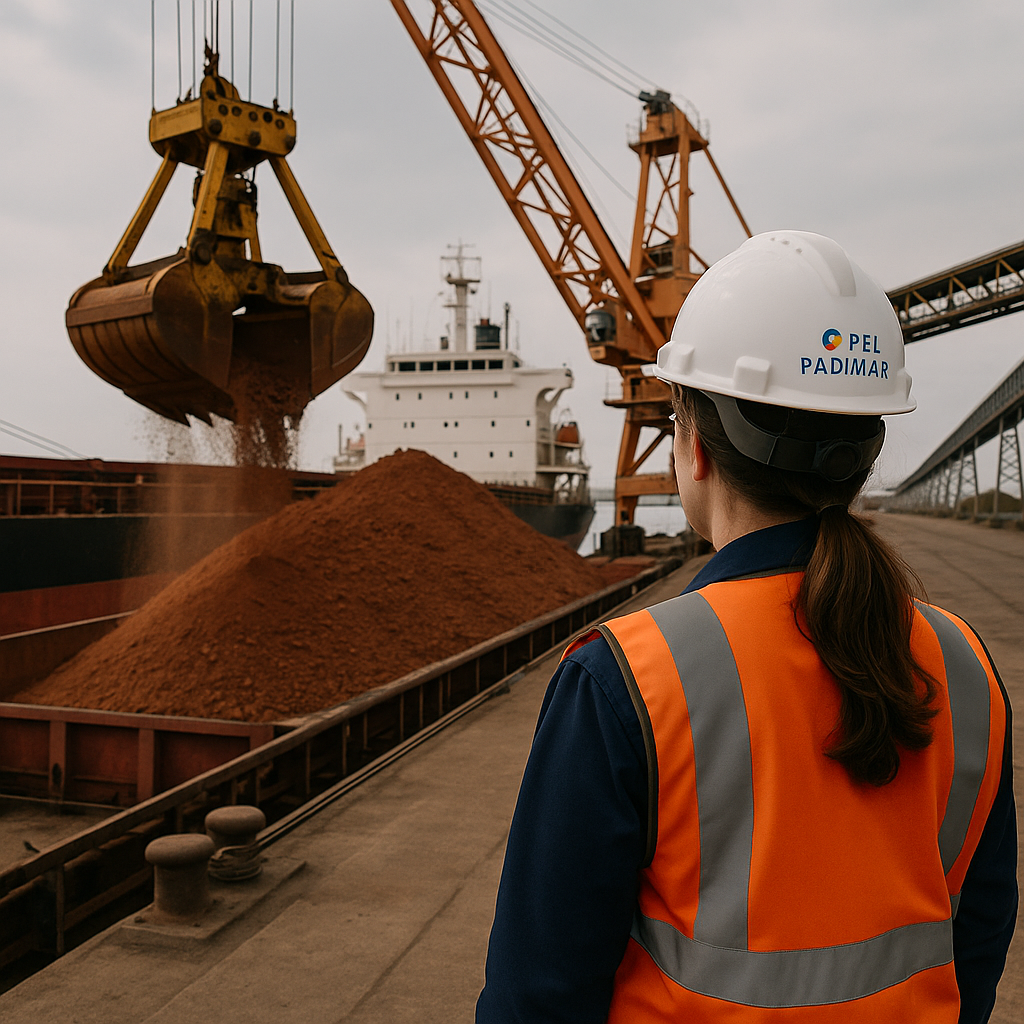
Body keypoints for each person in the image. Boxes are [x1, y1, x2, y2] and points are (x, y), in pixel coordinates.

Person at [476, 231, 1017, 1023]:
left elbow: (538, 997)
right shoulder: (966, 667)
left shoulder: (624, 678)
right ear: (866, 451)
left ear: (691, 445)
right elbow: (977, 941)